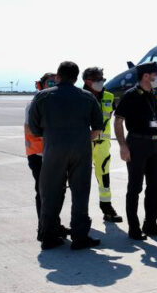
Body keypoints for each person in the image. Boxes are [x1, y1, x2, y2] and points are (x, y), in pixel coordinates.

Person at [27, 61, 104, 250]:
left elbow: (35, 129)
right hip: (81, 149)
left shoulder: (42, 97)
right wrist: (82, 140)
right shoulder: (87, 97)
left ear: (58, 76)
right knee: (80, 193)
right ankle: (80, 236)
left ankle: (49, 236)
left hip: (53, 150)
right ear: (77, 78)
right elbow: (97, 129)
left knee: (50, 193)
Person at [114, 62, 157, 241]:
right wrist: (122, 145)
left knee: (154, 187)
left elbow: (155, 117)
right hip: (136, 144)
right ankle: (134, 228)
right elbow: (118, 121)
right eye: (155, 74)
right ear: (146, 76)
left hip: (154, 145)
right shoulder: (130, 95)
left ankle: (150, 224)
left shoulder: (153, 93)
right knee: (135, 187)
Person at [25, 72, 65, 234]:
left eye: (55, 82)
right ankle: (43, 227)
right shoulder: (35, 103)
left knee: (57, 192)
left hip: (54, 153)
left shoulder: (54, 102)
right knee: (43, 192)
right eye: (49, 83)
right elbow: (30, 128)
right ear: (41, 85)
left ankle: (53, 224)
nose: (52, 85)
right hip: (38, 154)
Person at [82, 66, 122, 222]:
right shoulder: (80, 96)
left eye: (102, 78)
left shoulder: (109, 96)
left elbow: (111, 115)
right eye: (97, 79)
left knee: (104, 176)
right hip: (83, 143)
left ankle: (107, 208)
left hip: (102, 143)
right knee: (80, 178)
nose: (101, 81)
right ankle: (81, 212)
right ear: (87, 81)